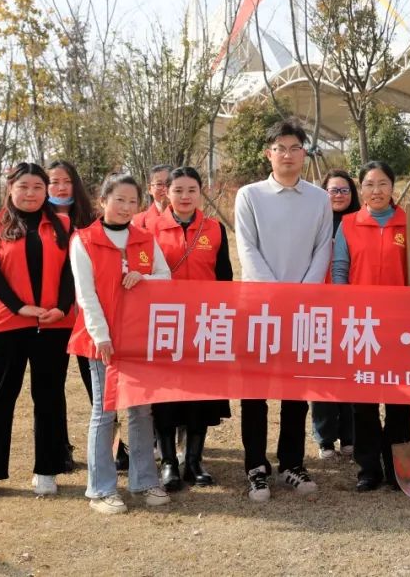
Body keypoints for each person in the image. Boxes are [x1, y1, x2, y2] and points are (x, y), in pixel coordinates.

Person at [234, 117, 333, 501]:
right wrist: (276, 296)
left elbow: (322, 248)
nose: (287, 155)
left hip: (302, 310)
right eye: (280, 148)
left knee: (296, 389)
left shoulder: (318, 199)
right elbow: (247, 249)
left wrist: (300, 297)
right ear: (268, 154)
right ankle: (256, 467)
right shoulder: (250, 196)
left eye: (294, 148)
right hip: (258, 309)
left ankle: (292, 462)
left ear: (304, 153)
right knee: (254, 392)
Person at [67, 172, 172, 515]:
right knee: (105, 411)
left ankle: (144, 481)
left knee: (141, 409)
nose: (126, 207)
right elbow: (86, 295)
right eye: (119, 200)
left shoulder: (144, 239)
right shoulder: (84, 240)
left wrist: (145, 277)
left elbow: (166, 277)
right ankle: (101, 489)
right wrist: (101, 336)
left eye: (132, 201)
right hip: (104, 341)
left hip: (139, 339)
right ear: (103, 201)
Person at [0, 162, 75, 500]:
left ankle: (47, 470)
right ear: (10, 189)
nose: (30, 193)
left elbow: (72, 271)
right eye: (23, 187)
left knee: (49, 396)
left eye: (37, 187)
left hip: (54, 323)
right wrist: (19, 307)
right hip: (7, 323)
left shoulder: (63, 225)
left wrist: (62, 307)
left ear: (47, 191)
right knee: (0, 397)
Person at [332, 161, 410, 491]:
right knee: (365, 400)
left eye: (383, 183)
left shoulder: (409, 223)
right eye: (370, 184)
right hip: (363, 325)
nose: (376, 190)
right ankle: (368, 468)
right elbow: (340, 270)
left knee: (399, 400)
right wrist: (345, 310)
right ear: (361, 189)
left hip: (400, 326)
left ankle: (395, 465)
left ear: (392, 187)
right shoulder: (348, 224)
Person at [149, 167, 233, 491]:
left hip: (204, 323)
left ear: (201, 193)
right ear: (166, 192)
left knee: (201, 394)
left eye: (192, 190)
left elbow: (224, 278)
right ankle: (169, 462)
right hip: (165, 323)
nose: (185, 197)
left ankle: (194, 461)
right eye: (178, 190)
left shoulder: (214, 229)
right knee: (165, 395)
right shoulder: (149, 228)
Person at [45, 159, 98, 472]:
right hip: (54, 316)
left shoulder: (91, 220)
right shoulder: (39, 220)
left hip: (89, 316)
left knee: (98, 386)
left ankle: (113, 447)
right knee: (52, 387)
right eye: (54, 182)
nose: (61, 187)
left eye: (66, 181)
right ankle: (59, 449)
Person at [312, 168, 359, 460]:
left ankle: (350, 435)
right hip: (319, 304)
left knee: (351, 371)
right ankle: (325, 437)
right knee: (321, 373)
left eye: (344, 190)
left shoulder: (360, 222)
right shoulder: (313, 222)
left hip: (352, 306)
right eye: (333, 190)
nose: (339, 195)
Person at [132, 164, 173, 230]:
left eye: (169, 183)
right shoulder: (138, 222)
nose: (165, 188)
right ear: (149, 189)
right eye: (159, 184)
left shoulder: (187, 217)